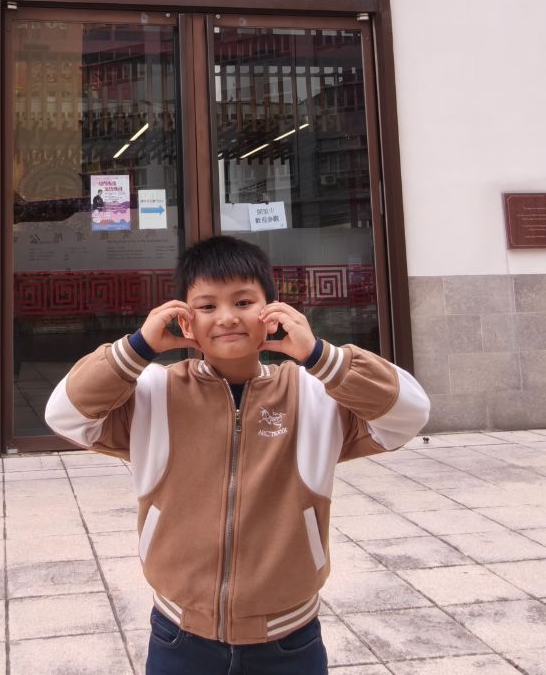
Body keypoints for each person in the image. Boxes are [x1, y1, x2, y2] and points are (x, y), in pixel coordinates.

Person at [45, 235, 430, 675]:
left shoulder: (312, 393)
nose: (227, 317)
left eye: (244, 302)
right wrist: (137, 348)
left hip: (290, 639)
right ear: (185, 320)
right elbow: (64, 414)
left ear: (272, 310)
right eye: (207, 306)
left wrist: (319, 356)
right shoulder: (155, 391)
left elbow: (409, 414)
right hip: (178, 634)